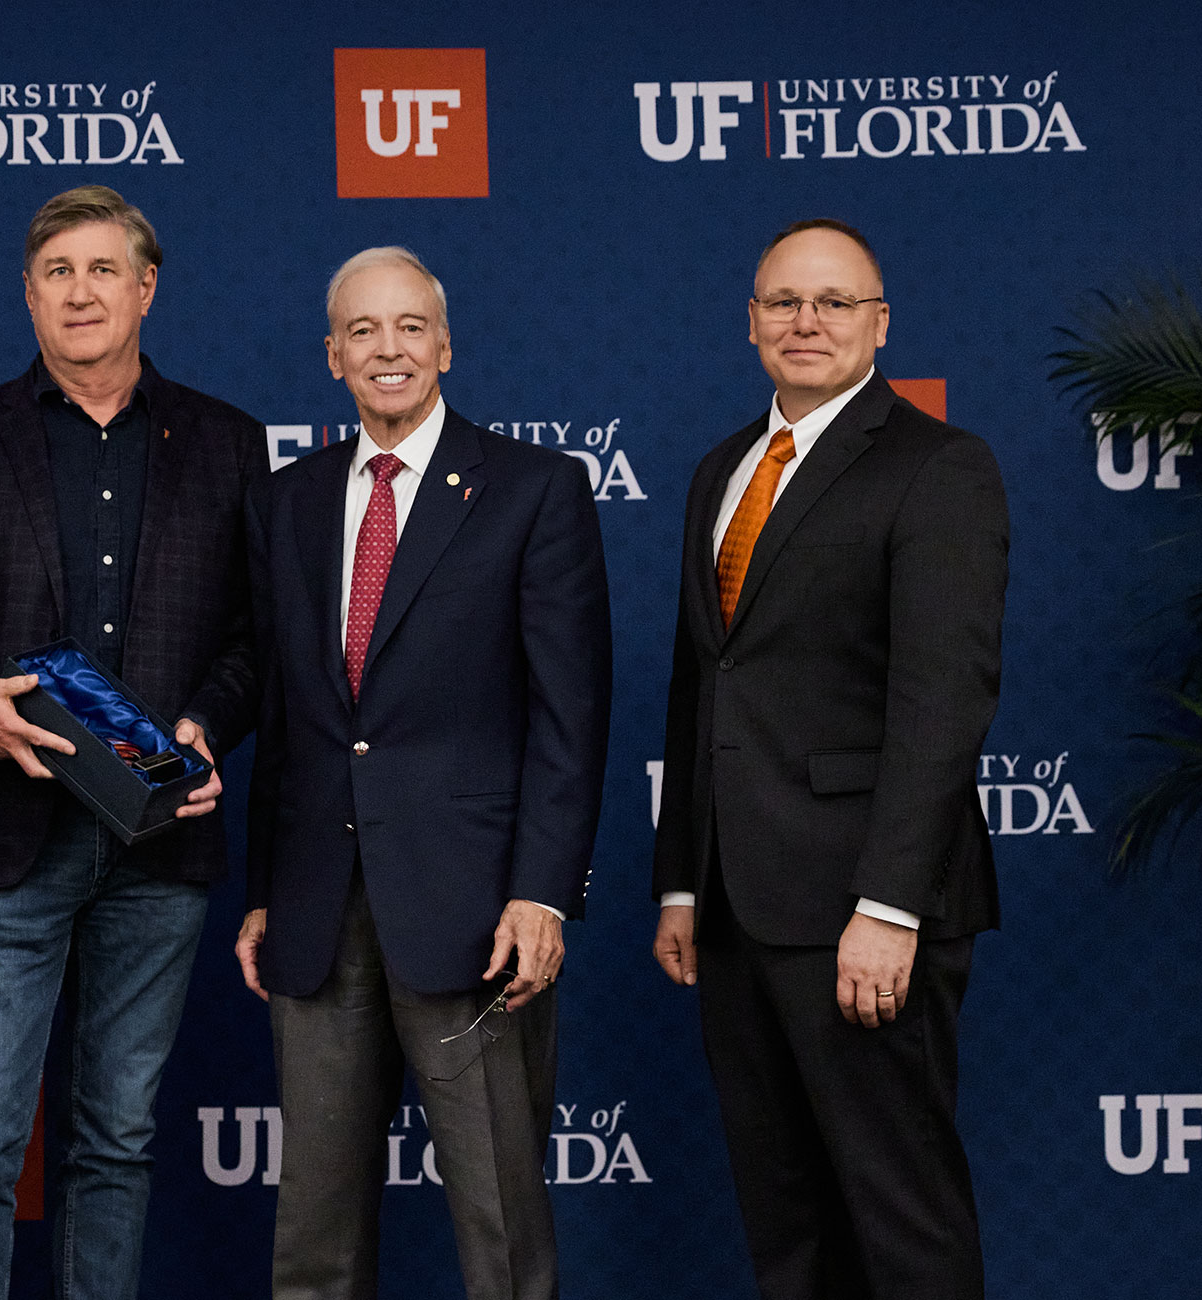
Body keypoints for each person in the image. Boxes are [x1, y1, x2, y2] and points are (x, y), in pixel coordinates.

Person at [0, 184, 268, 1300]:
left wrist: (205, 728)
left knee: (114, 1143)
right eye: (58, 272)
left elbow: (252, 640)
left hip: (158, 847)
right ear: (28, 293)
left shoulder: (230, 443)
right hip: (3, 836)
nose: (80, 291)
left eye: (104, 269)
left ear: (146, 288)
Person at [238, 246, 611, 1300]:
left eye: (408, 327)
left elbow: (568, 715)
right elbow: (287, 716)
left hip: (476, 913)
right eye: (362, 331)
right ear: (332, 357)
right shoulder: (288, 503)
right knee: (312, 1240)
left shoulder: (534, 489)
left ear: (444, 346)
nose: (386, 349)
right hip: (317, 912)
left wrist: (540, 890)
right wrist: (266, 889)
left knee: (498, 1230)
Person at [651, 219, 1007, 1300]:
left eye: (833, 302)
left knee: (898, 1213)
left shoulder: (936, 466)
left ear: (878, 323)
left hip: (862, 910)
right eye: (782, 302)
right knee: (785, 1213)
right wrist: (677, 881)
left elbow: (941, 703)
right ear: (750, 319)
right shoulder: (723, 466)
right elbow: (696, 686)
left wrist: (888, 905)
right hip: (733, 902)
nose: (804, 322)